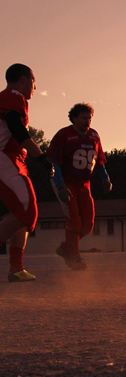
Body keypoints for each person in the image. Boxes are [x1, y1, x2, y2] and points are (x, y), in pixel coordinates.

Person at [0, 64, 58, 282]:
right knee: (26, 210)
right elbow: (16, 127)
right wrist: (41, 156)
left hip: (12, 158)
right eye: (34, 81)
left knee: (23, 215)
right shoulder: (13, 96)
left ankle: (16, 267)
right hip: (4, 157)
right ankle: (15, 267)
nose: (35, 86)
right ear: (23, 79)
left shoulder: (11, 98)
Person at [49, 103, 111, 271]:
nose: (88, 121)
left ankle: (66, 248)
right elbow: (54, 163)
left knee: (88, 224)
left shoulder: (94, 135)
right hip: (66, 182)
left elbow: (98, 161)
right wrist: (60, 185)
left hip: (84, 184)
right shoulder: (64, 135)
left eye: (89, 117)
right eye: (84, 117)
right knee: (74, 222)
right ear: (74, 118)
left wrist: (105, 178)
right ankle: (75, 257)